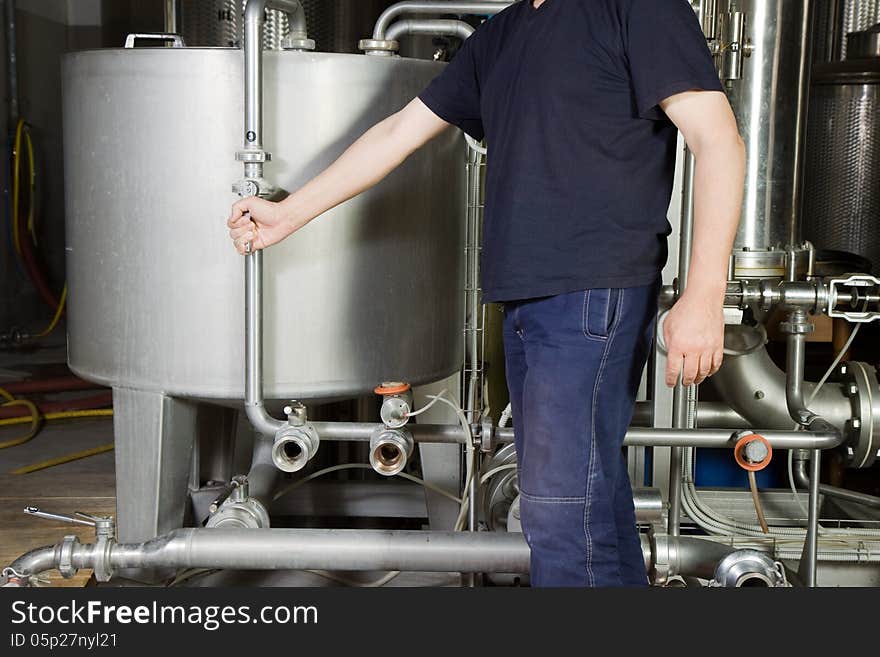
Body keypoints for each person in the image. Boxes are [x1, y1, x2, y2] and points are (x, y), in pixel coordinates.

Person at [227, 0, 745, 587]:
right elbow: (398, 133)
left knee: (558, 517)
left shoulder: (635, 9)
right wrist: (288, 215)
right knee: (587, 504)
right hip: (527, 302)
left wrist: (704, 295)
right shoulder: (502, 33)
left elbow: (718, 140)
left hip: (592, 295)